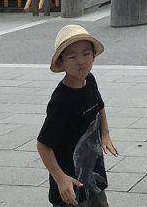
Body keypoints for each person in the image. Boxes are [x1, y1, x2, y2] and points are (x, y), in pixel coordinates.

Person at [37, 24, 118, 207]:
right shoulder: (61, 101)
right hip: (70, 186)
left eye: (86, 54)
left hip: (94, 178)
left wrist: (105, 134)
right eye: (72, 56)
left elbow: (100, 106)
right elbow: (43, 145)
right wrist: (61, 179)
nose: (81, 61)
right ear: (61, 63)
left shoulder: (90, 80)